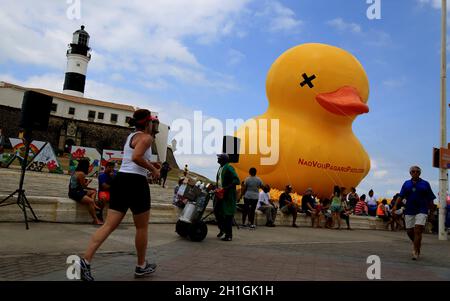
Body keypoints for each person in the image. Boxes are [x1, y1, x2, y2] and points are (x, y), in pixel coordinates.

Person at [78, 109, 161, 281]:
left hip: (121, 180)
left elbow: (133, 157)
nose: (154, 124)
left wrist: (151, 163)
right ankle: (141, 266)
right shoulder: (147, 138)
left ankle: (85, 260)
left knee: (108, 225)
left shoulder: (131, 137)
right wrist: (153, 169)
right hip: (136, 183)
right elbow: (137, 157)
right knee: (142, 227)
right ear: (148, 123)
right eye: (152, 121)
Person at [393, 166, 436, 260]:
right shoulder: (406, 183)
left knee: (418, 230)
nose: (415, 173)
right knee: (409, 231)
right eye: (413, 171)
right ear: (410, 173)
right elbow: (400, 196)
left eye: (417, 171)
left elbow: (431, 199)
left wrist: (432, 213)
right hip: (409, 209)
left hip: (422, 209)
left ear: (420, 173)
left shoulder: (425, 184)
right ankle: (417, 244)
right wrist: (395, 206)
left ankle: (415, 251)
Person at [215, 153, 240, 241]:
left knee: (228, 215)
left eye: (219, 158)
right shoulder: (220, 168)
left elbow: (237, 180)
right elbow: (219, 181)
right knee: (217, 212)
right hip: (220, 195)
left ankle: (229, 235)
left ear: (224, 160)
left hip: (228, 196)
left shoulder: (229, 167)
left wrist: (226, 188)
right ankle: (222, 230)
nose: (218, 159)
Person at [68, 159, 101, 225]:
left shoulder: (75, 171)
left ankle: (93, 205)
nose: (88, 167)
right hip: (75, 193)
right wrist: (88, 182)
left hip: (75, 191)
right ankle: (95, 219)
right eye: (88, 165)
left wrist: (92, 189)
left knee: (93, 192)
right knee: (90, 201)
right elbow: (84, 187)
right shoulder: (81, 174)